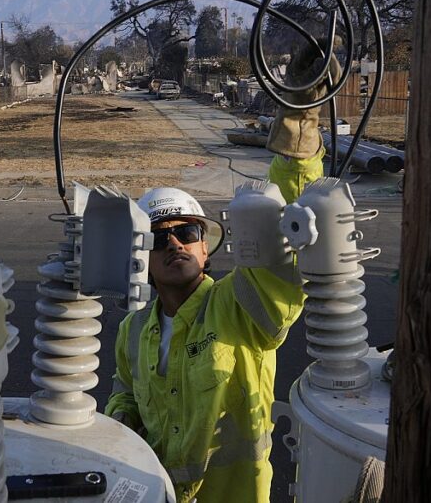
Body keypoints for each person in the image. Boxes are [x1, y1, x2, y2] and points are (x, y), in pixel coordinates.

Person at [104, 44, 339, 502]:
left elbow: (287, 234)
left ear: (204, 246)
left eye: (186, 231)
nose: (174, 243)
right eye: (158, 238)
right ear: (140, 256)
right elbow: (125, 393)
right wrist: (119, 420)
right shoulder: (133, 331)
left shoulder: (239, 306)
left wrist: (298, 120)